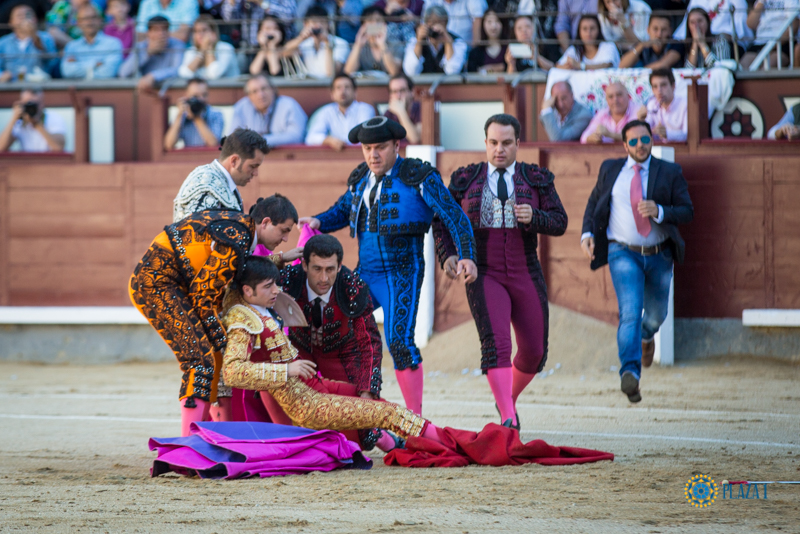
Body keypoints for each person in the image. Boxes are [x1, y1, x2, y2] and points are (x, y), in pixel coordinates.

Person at [299, 117, 478, 415]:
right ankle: (354, 409)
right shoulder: (360, 179)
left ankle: (413, 419)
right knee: (334, 329)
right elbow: (343, 210)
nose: (373, 155)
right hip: (366, 273)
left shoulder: (418, 175)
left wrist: (466, 255)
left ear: (396, 146)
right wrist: (318, 221)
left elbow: (453, 217)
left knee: (399, 341)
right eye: (367, 148)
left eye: (380, 147)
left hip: (402, 274)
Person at [220, 255, 445, 449]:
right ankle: (444, 442)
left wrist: (281, 256)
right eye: (268, 286)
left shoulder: (249, 301)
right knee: (389, 413)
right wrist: (286, 370)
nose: (276, 291)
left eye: (274, 284)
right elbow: (232, 372)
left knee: (378, 405)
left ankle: (405, 443)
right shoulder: (242, 322)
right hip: (306, 404)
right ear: (248, 290)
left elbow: (243, 273)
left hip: (311, 388)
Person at [433, 114, 567, 429]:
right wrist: (448, 256)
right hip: (484, 271)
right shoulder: (466, 178)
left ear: (518, 144)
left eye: (507, 143)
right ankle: (508, 417)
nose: (499, 150)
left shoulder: (536, 178)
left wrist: (535, 216)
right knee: (498, 345)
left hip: (525, 269)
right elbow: (443, 221)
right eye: (493, 143)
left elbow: (559, 221)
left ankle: (506, 396)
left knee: (534, 351)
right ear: (485, 143)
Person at [130, 194, 304, 436]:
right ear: (265, 222)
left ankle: (203, 437)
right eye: (283, 230)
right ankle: (189, 445)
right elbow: (203, 293)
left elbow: (238, 268)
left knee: (209, 357)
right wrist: (221, 337)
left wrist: (280, 258)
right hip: (156, 285)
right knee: (200, 360)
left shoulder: (240, 230)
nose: (286, 237)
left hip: (168, 283)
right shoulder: (238, 236)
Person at [580, 120, 693, 403]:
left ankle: (646, 336)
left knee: (656, 316)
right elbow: (594, 203)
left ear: (652, 139)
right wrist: (587, 233)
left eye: (645, 139)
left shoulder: (669, 171)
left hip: (659, 254)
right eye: (633, 141)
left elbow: (687, 211)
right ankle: (629, 374)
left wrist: (661, 210)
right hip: (623, 252)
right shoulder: (610, 169)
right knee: (629, 311)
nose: (640, 145)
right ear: (624, 145)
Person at [280, 234, 383, 401]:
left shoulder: (354, 287)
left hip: (342, 356)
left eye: (330, 269)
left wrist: (368, 389)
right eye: (317, 269)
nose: (324, 278)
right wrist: (280, 258)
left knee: (361, 414)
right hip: (299, 353)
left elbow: (369, 342)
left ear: (339, 266)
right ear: (305, 265)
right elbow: (248, 276)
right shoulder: (289, 279)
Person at [172, 128, 268, 221]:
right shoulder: (207, 187)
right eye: (252, 166)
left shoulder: (222, 182)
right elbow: (196, 235)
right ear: (234, 161)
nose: (255, 173)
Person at [231, 74, 309, 147]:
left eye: (264, 89)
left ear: (273, 89)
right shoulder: (241, 107)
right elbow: (232, 139)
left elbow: (296, 137)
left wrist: (261, 140)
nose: (260, 95)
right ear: (249, 96)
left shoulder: (288, 105)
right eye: (254, 91)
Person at [305, 73, 375, 151]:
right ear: (332, 94)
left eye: (347, 87)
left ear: (355, 92)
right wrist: (329, 140)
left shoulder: (365, 109)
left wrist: (340, 143)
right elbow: (310, 138)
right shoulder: (326, 111)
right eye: (338, 88)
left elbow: (365, 137)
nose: (343, 91)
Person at [282, 4, 350, 79]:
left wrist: (327, 42)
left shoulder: (340, 43)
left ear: (328, 24)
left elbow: (331, 73)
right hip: (307, 86)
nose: (318, 26)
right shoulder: (303, 43)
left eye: (322, 22)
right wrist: (301, 38)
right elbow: (283, 53)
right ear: (305, 24)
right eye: (314, 22)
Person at [118, 15, 185, 91]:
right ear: (148, 33)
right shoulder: (140, 46)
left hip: (170, 91)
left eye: (164, 29)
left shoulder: (177, 45)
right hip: (143, 91)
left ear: (169, 32)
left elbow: (178, 70)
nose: (161, 34)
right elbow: (123, 73)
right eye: (156, 30)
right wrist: (147, 53)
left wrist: (153, 76)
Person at [60, 4, 124, 79]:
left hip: (103, 90)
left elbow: (108, 73)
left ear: (100, 20)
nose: (89, 22)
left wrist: (78, 66)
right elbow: (67, 72)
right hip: (78, 90)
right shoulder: (71, 46)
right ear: (78, 23)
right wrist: (95, 65)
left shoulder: (113, 43)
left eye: (93, 17)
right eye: (85, 19)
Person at [403, 5, 468, 75]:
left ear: (446, 24)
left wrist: (448, 43)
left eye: (439, 23)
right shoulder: (414, 41)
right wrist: (419, 41)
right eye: (432, 23)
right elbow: (411, 71)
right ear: (426, 24)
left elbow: (452, 71)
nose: (435, 28)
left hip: (449, 85)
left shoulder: (457, 42)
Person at [0, 4, 57, 82]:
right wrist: (3, 75)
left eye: (28, 14)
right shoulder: (3, 43)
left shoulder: (46, 38)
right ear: (11, 22)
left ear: (35, 19)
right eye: (19, 15)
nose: (24, 18)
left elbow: (53, 64)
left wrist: (34, 36)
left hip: (39, 86)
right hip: (11, 87)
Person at [164, 77, 224, 150]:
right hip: (188, 159)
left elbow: (213, 143)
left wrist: (196, 117)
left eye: (204, 95)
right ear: (186, 96)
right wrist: (179, 115)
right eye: (195, 96)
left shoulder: (216, 114)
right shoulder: (182, 115)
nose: (201, 99)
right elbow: (168, 144)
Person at [0, 87, 66, 152]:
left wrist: (37, 124)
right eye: (27, 104)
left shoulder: (53, 117)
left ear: (42, 104)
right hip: (26, 162)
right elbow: (1, 148)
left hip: (49, 162)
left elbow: (59, 148)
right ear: (22, 104)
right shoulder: (20, 121)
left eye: (34, 104)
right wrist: (13, 119)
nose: (31, 108)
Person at [343, 6, 402, 76]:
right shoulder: (360, 46)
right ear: (363, 25)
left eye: (378, 21)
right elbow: (348, 72)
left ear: (385, 24)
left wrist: (382, 45)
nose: (375, 24)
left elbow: (395, 72)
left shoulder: (395, 44)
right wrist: (358, 45)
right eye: (370, 21)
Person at [741, 0, 799, 69]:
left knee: (766, 68)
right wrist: (761, 3)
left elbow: (794, 25)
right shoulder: (761, 2)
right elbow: (750, 24)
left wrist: (772, 46)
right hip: (760, 43)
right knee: (743, 66)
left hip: (782, 44)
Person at [673, 0, 750, 48]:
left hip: (726, 44)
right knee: (679, 47)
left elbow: (740, 30)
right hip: (699, 39)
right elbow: (687, 24)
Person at [637, 68, 687, 143]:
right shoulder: (652, 104)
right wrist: (641, 120)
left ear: (673, 86)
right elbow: (645, 133)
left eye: (663, 85)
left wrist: (667, 133)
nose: (659, 90)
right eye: (655, 86)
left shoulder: (685, 104)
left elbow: (688, 135)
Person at [221, 0, 297, 48]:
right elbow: (229, 19)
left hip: (281, 48)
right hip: (248, 47)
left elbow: (290, 17)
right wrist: (231, 2)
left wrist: (261, 2)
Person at [618, 13, 684, 68]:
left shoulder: (677, 44)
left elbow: (662, 65)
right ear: (648, 30)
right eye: (655, 29)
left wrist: (640, 73)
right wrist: (640, 46)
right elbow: (622, 66)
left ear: (670, 31)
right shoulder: (643, 46)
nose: (659, 34)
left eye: (663, 30)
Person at [556, 14, 620, 69]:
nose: (588, 33)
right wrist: (567, 66)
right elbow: (558, 66)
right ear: (579, 31)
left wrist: (580, 66)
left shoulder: (608, 46)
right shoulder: (574, 50)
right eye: (584, 29)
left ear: (599, 30)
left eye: (592, 28)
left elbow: (607, 65)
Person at [295, 0, 364, 43]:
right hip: (318, 43)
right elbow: (299, 16)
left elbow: (356, 21)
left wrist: (341, 1)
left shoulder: (353, 1)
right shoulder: (319, 2)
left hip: (346, 44)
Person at [421, 0, 488, 44]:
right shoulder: (430, 1)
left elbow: (478, 20)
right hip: (437, 50)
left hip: (466, 52)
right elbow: (424, 25)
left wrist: (472, 57)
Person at [383, 73, 421, 144]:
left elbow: (415, 139)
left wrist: (401, 112)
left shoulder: (420, 108)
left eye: (402, 90)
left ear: (412, 92)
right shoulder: (388, 114)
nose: (398, 95)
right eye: (394, 91)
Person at [467, 8, 509, 73]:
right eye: (489, 22)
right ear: (483, 24)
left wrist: (490, 69)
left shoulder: (509, 49)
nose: (493, 26)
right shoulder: (475, 53)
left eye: (497, 21)